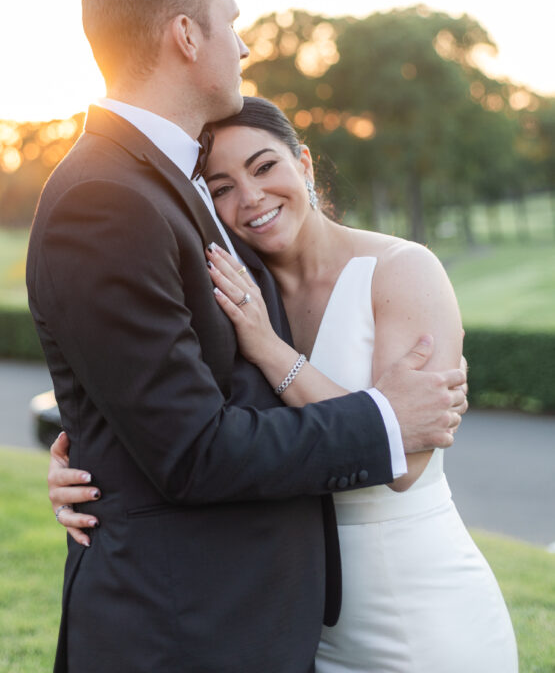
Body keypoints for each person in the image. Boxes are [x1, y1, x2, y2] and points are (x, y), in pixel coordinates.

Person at [27, 0, 468, 673]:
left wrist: (103, 448)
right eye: (231, 23)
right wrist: (385, 420)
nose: (241, 45)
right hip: (184, 628)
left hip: (248, 616)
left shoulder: (171, 182)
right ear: (186, 36)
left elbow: (168, 383)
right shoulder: (105, 199)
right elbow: (190, 450)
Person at [50, 95, 517, 672]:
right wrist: (87, 476)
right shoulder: (231, 292)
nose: (250, 198)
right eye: (221, 187)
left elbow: (405, 458)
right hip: (293, 623)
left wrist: (270, 349)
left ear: (306, 164)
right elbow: (185, 425)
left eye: (265, 166)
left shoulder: (403, 271)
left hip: (415, 610)